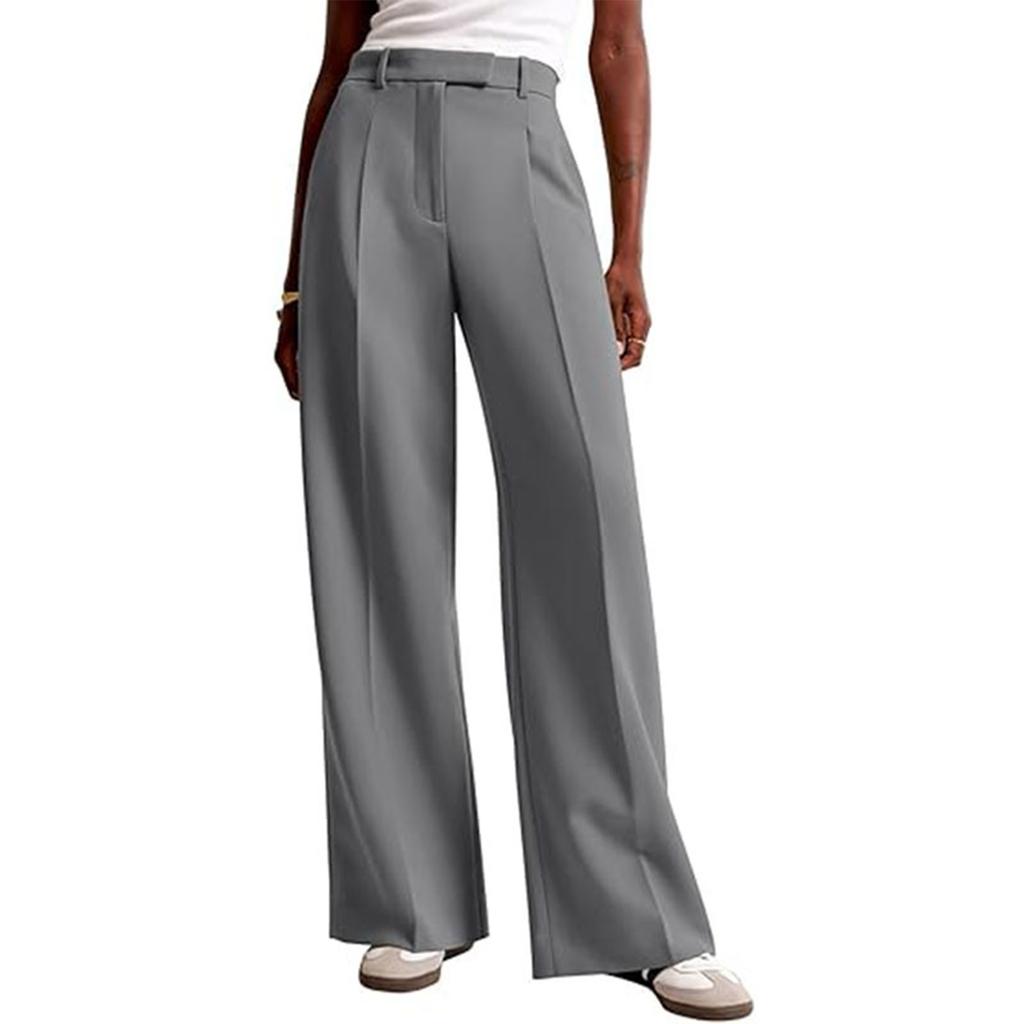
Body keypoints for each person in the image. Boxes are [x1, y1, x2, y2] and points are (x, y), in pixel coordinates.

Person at [274, 1, 752, 1018]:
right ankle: (411, 898)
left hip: (524, 129)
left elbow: (616, 43)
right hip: (370, 133)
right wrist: (292, 284)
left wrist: (629, 247)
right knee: (377, 519)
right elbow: (335, 57)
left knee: (583, 513)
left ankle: (637, 912)